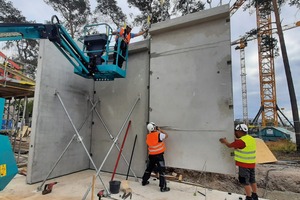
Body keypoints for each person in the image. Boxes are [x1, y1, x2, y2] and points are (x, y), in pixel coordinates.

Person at [219, 124, 258, 200]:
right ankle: (255, 195)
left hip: (244, 165)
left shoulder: (241, 142)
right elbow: (241, 145)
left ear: (240, 131)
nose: (235, 133)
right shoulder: (250, 139)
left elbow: (230, 145)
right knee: (252, 180)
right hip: (251, 164)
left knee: (245, 182)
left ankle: (248, 197)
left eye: (236, 131)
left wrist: (225, 141)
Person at [142, 122, 170, 192]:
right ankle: (162, 187)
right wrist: (160, 129)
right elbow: (166, 135)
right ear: (154, 127)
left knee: (149, 169)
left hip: (151, 156)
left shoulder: (148, 136)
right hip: (159, 156)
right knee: (162, 171)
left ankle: (144, 181)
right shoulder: (159, 135)